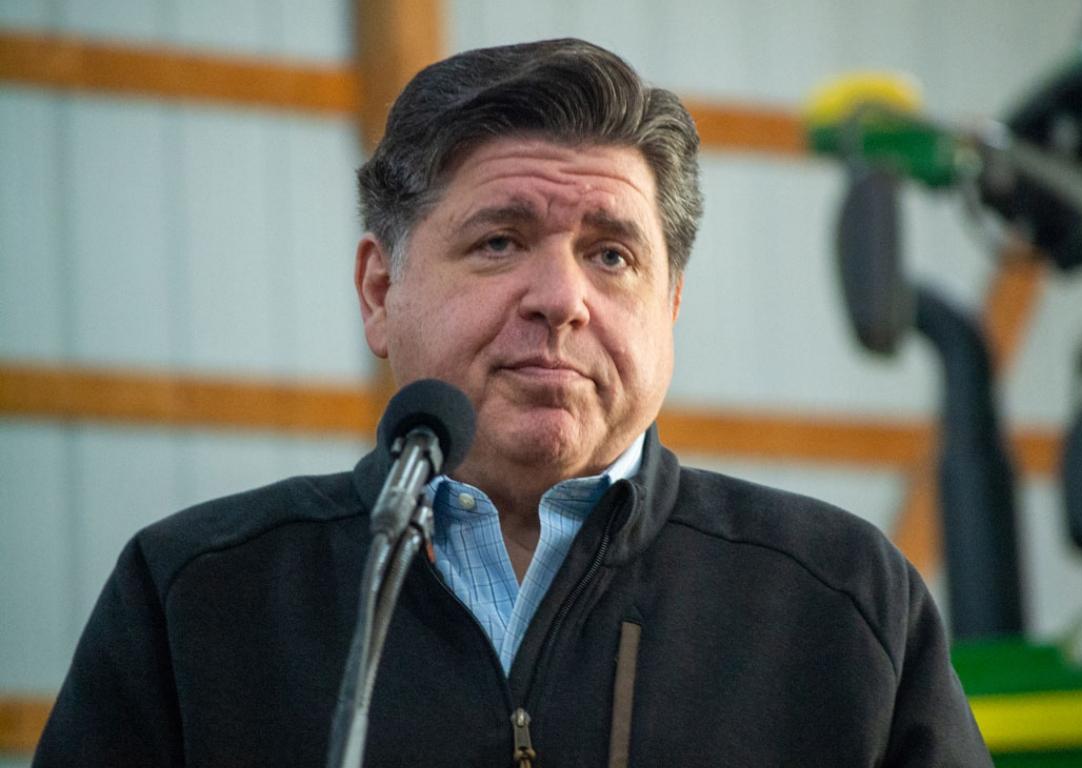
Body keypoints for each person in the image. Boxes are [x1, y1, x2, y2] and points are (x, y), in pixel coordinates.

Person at [34, 38, 991, 766]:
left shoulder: (840, 602)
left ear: (671, 306)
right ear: (379, 291)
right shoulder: (195, 598)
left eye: (612, 254)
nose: (561, 298)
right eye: (498, 241)